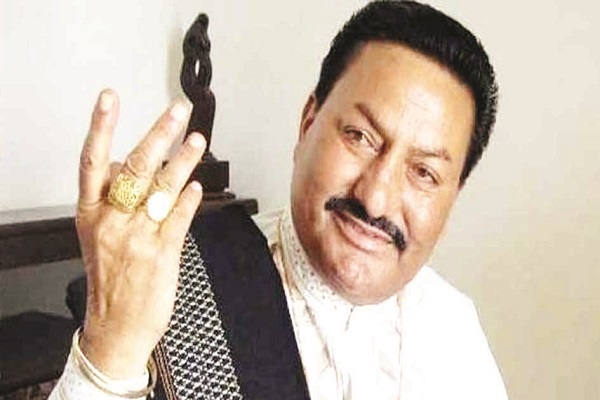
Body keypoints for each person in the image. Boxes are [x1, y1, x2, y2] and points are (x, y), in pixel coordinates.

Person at [49, 1, 507, 399]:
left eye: (424, 173)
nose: (375, 199)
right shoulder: (166, 280)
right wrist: (109, 351)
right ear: (308, 123)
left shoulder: (453, 331)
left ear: (451, 200)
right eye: (359, 137)